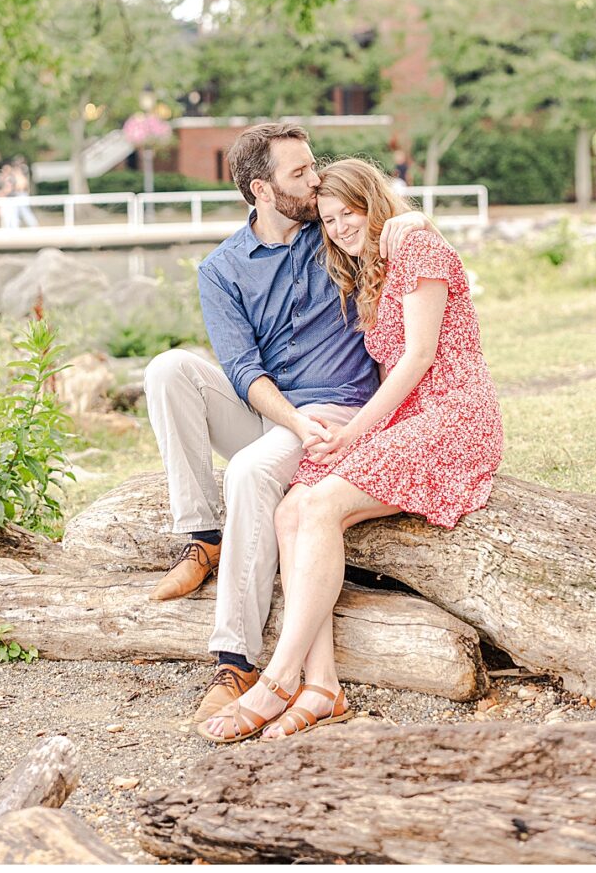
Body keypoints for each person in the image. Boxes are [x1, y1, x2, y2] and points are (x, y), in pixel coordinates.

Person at [198, 158, 503, 742]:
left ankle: (279, 679)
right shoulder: (367, 264)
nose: (337, 227)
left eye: (349, 214)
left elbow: (416, 358)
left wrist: (358, 429)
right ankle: (323, 684)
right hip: (407, 420)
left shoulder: (415, 249)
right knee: (291, 506)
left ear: (373, 203)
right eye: (329, 217)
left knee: (319, 506)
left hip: (452, 417)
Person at [143, 124, 426, 722]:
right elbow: (242, 370)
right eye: (299, 173)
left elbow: (386, 221)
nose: (316, 179)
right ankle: (203, 538)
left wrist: (412, 221)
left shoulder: (331, 234)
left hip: (338, 413)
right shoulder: (221, 269)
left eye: (313, 165)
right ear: (262, 190)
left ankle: (235, 659)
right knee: (169, 369)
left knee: (248, 472)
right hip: (279, 412)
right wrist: (290, 420)